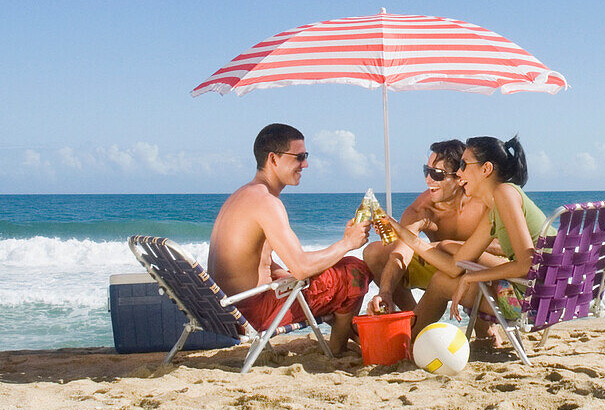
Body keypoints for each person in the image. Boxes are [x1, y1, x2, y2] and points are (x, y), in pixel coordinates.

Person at [207, 123, 371, 355]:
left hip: (226, 310)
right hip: (253, 312)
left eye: (306, 156)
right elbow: (302, 268)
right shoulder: (266, 202)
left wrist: (284, 274)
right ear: (273, 159)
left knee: (326, 274)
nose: (305, 164)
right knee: (355, 270)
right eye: (299, 157)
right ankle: (337, 351)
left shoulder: (241, 195)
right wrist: (348, 243)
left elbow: (253, 259)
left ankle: (351, 333)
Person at [385, 135, 546, 345]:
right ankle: (409, 341)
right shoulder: (496, 207)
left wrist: (472, 278)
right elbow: (455, 266)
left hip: (533, 302)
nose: (459, 173)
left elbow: (527, 263)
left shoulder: (504, 194)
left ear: (486, 169)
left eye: (464, 165)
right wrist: (405, 234)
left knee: (445, 279)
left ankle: (405, 343)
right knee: (444, 277)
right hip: (552, 294)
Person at [361, 139, 492, 314]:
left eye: (437, 174)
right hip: (441, 268)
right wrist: (385, 292)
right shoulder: (422, 209)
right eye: (426, 171)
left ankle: (484, 326)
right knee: (374, 252)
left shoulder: (484, 201)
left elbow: (506, 248)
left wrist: (452, 247)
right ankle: (414, 315)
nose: (428, 180)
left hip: (479, 270)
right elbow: (401, 253)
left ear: (460, 176)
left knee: (463, 257)